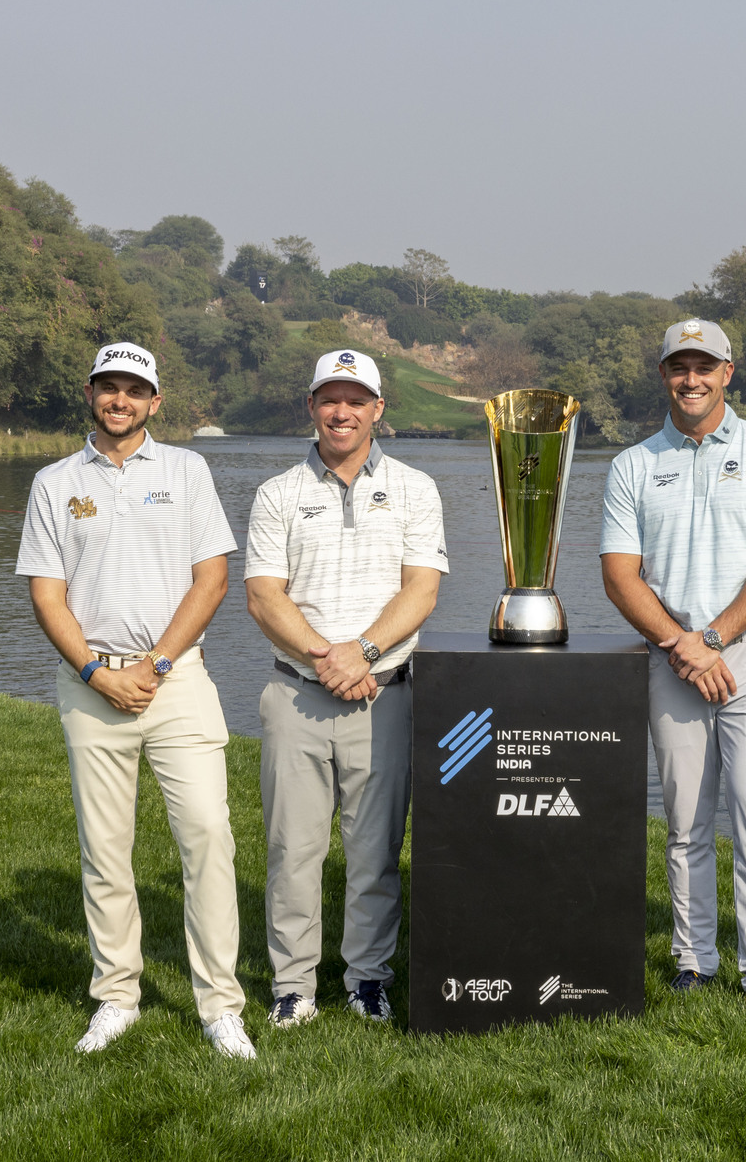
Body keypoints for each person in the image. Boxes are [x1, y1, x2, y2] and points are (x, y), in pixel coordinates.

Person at [16, 341, 253, 1058]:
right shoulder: (55, 481)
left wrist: (155, 663)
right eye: (109, 387)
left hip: (175, 681)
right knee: (105, 849)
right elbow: (45, 592)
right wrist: (96, 672)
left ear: (155, 402)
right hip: (92, 685)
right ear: (90, 393)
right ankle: (116, 995)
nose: (121, 399)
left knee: (208, 835)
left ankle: (220, 1006)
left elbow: (210, 578)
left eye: (135, 389)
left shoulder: (187, 469)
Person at [600, 319, 746, 1012]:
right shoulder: (633, 463)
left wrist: (714, 637)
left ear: (728, 372)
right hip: (673, 654)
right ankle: (694, 958)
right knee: (686, 816)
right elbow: (620, 573)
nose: (692, 378)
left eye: (705, 366)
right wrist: (682, 644)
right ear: (663, 374)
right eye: (679, 366)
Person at [244, 348, 447, 1027]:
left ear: (378, 410)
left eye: (356, 399)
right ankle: (294, 986)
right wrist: (326, 656)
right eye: (330, 398)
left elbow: (422, 588)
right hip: (298, 691)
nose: (342, 411)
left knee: (375, 851)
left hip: (385, 692)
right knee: (293, 850)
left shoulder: (417, 488)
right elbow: (264, 596)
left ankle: (366, 979)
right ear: (311, 406)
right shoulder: (277, 492)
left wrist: (362, 652)